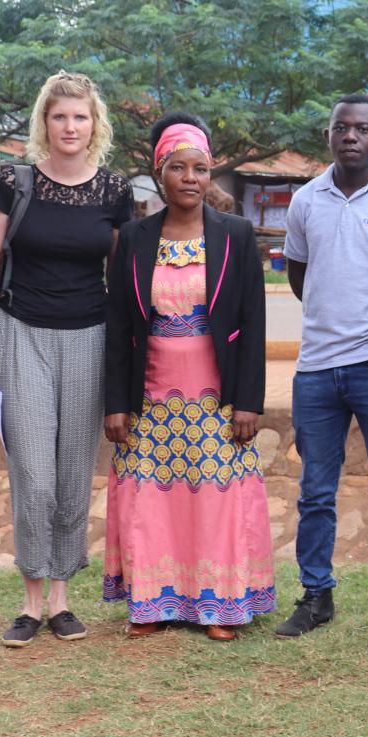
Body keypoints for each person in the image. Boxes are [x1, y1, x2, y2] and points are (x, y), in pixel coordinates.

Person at [0, 71, 132, 646]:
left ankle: (61, 598)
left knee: (71, 472)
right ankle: (29, 599)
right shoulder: (16, 182)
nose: (70, 126)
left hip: (90, 337)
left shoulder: (115, 192)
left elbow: (125, 277)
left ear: (95, 124)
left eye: (80, 117)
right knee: (32, 473)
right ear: (44, 122)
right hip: (20, 335)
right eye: (59, 116)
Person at [101, 113, 273, 640]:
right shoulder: (132, 238)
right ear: (161, 174)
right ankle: (155, 605)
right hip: (150, 400)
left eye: (200, 168)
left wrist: (248, 401)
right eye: (178, 167)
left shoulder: (237, 235)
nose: (191, 178)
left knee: (216, 498)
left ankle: (220, 607)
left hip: (216, 401)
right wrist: (115, 403)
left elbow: (251, 321)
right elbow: (120, 327)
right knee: (151, 500)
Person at [279, 95, 368, 639]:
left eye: (363, 129)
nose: (351, 137)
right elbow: (300, 277)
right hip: (316, 369)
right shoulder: (305, 201)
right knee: (315, 491)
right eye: (342, 128)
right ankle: (316, 596)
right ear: (328, 135)